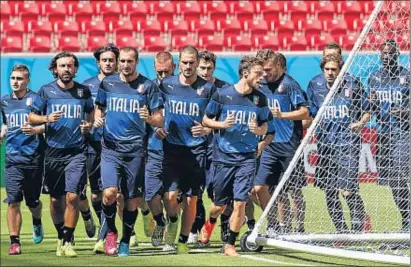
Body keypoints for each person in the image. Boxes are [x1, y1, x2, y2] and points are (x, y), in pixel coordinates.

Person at [94, 47, 163, 257]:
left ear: (136, 62)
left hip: (135, 151)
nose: (125, 65)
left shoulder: (148, 86)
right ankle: (111, 232)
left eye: (129, 61)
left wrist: (149, 118)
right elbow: (100, 108)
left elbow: (159, 118)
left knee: (132, 200)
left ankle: (125, 239)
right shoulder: (108, 83)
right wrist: (98, 119)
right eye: (121, 61)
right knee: (109, 194)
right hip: (111, 149)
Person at [202, 55, 272, 256]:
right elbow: (206, 119)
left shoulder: (260, 98)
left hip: (247, 157)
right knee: (218, 206)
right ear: (245, 73)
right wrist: (221, 125)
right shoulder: (222, 95)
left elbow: (266, 124)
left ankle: (230, 244)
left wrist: (259, 131)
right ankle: (210, 222)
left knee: (240, 201)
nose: (262, 77)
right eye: (258, 74)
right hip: (224, 157)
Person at [29, 52, 95, 257]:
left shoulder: (83, 92)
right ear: (55, 69)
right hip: (52, 153)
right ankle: (61, 236)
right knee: (56, 201)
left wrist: (89, 125)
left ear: (75, 69)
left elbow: (91, 112)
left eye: (70, 66)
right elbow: (31, 117)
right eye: (62, 66)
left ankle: (68, 240)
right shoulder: (45, 91)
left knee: (73, 197)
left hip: (77, 152)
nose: (66, 69)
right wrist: (47, 118)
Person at [156, 45, 216, 253]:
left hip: (197, 150)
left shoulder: (208, 89)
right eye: (185, 62)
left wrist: (207, 129)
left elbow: (216, 117)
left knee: (191, 199)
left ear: (197, 63)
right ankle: (172, 220)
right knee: (169, 196)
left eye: (192, 63)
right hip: (171, 148)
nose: (188, 66)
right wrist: (158, 127)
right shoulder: (166, 85)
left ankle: (181, 240)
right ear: (178, 63)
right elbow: (157, 112)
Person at [311, 54, 371, 232]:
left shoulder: (352, 85)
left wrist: (360, 123)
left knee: (347, 190)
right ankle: (341, 231)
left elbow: (368, 109)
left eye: (333, 70)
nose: (330, 73)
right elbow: (310, 113)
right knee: (329, 192)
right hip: (325, 146)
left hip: (348, 144)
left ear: (340, 71)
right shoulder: (315, 86)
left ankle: (359, 227)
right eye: (327, 69)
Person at [253, 49, 309, 233]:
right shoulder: (260, 85)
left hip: (289, 147)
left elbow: (304, 112)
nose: (265, 73)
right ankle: (275, 225)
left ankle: (299, 229)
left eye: (268, 69)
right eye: (263, 70)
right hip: (269, 145)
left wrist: (282, 115)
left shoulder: (290, 85)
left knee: (292, 191)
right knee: (260, 187)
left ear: (279, 66)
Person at [1, 65, 45, 255]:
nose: (15, 82)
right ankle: (14, 242)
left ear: (27, 81)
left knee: (33, 202)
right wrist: (3, 131)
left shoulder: (37, 100)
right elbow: (5, 122)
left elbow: (49, 125)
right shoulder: (4, 101)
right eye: (12, 78)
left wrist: (36, 130)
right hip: (12, 159)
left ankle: (36, 221)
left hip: (33, 158)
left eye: (19, 78)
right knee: (13, 201)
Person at [189, 50, 232, 245]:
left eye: (209, 68)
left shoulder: (225, 89)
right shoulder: (189, 87)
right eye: (202, 68)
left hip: (218, 148)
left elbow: (229, 119)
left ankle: (224, 227)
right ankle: (195, 230)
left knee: (218, 191)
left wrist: (209, 128)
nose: (206, 72)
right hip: (193, 148)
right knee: (194, 191)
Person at [80, 43, 119, 253]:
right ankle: (94, 219)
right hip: (92, 145)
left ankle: (105, 236)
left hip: (115, 147)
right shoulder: (87, 86)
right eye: (104, 60)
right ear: (98, 63)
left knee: (111, 192)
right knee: (95, 195)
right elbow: (84, 112)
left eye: (112, 60)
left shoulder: (124, 84)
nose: (108, 63)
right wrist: (87, 124)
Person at [368, 39, 410, 232]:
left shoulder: (406, 77)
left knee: (402, 173)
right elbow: (372, 109)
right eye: (383, 54)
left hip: (403, 133)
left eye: (390, 53)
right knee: (392, 181)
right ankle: (406, 220)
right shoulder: (374, 78)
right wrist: (373, 104)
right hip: (383, 133)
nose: (386, 57)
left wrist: (406, 111)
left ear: (397, 55)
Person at [146, 51, 175, 247]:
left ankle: (173, 227)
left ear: (174, 67)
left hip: (177, 151)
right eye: (159, 72)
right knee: (150, 196)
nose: (163, 76)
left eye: (166, 72)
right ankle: (159, 221)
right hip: (153, 149)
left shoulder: (183, 89)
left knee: (171, 196)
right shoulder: (148, 88)